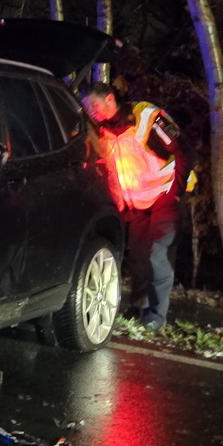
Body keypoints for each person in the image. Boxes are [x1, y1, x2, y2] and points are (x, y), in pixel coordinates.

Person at [80, 81, 194, 331]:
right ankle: (139, 307)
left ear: (110, 98)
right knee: (139, 257)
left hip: (166, 194)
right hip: (136, 202)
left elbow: (184, 150)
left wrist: (176, 192)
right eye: (87, 108)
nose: (92, 112)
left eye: (94, 105)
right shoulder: (101, 130)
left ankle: (155, 316)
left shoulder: (147, 117)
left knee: (158, 254)